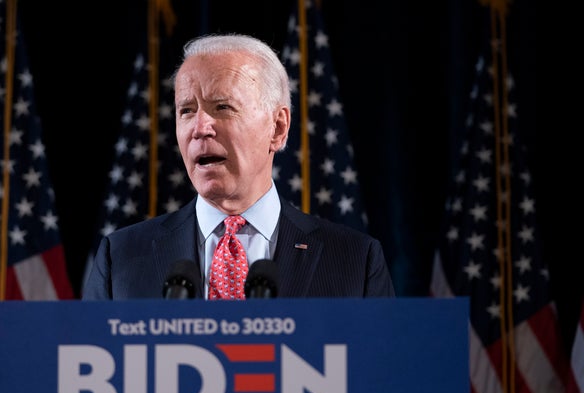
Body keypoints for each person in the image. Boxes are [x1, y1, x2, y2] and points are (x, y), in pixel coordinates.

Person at [82, 33, 395, 300]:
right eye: (187, 111)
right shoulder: (120, 258)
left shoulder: (356, 262)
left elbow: (380, 368)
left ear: (278, 128)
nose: (200, 127)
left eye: (222, 107)